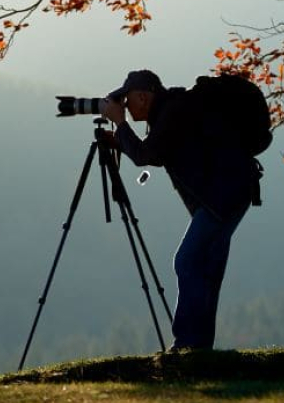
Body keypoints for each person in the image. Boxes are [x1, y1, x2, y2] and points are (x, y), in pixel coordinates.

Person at [99, 68, 258, 351]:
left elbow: (147, 155)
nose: (125, 106)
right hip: (233, 190)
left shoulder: (173, 110)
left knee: (186, 261)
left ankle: (186, 345)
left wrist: (121, 125)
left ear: (143, 96)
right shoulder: (171, 110)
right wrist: (120, 139)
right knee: (206, 268)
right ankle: (199, 349)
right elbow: (153, 151)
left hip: (223, 195)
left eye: (128, 100)